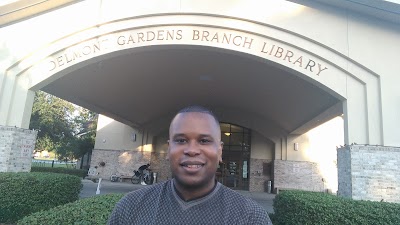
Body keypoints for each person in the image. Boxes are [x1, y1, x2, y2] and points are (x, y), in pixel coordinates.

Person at [108, 106, 272, 224]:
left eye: (204, 141)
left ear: (220, 151)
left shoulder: (252, 217)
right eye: (181, 140)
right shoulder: (130, 207)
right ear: (170, 148)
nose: (192, 150)